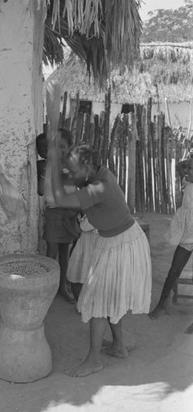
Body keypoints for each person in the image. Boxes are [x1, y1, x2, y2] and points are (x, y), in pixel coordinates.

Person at [49, 142, 152, 377]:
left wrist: (53, 171)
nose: (71, 175)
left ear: (87, 168)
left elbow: (61, 199)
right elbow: (71, 190)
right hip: (118, 241)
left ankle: (94, 360)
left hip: (121, 244)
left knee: (97, 299)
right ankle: (119, 346)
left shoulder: (100, 187)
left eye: (74, 171)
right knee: (109, 297)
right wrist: (64, 170)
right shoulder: (100, 174)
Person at [149, 156, 193, 320]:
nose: (187, 171)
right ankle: (160, 305)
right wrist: (189, 161)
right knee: (174, 271)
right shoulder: (188, 182)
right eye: (188, 168)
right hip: (187, 233)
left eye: (191, 169)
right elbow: (180, 166)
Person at [43, 129, 80, 304]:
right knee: (51, 251)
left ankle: (62, 287)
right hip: (53, 211)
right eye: (57, 146)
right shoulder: (51, 163)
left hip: (67, 212)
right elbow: (45, 190)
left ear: (70, 147)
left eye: (63, 146)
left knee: (64, 252)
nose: (60, 150)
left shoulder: (70, 164)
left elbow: (72, 188)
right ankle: (45, 288)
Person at [66, 215, 98, 303]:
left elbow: (85, 226)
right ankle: (82, 303)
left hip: (90, 247)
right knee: (79, 275)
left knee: (81, 276)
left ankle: (85, 303)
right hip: (86, 246)